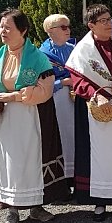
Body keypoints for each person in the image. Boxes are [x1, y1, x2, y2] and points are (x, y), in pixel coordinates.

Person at [0, 8, 67, 223]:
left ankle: (36, 207)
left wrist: (17, 95)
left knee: (30, 161)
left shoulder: (38, 58)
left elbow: (46, 90)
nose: (3, 31)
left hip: (31, 118)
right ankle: (11, 210)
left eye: (8, 27)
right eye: (1, 27)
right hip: (4, 122)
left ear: (23, 30)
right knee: (8, 163)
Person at [65, 4, 112, 221]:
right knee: (101, 156)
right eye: (104, 21)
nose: (110, 24)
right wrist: (96, 94)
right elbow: (77, 81)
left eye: (110, 19)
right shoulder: (83, 50)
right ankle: (100, 201)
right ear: (91, 25)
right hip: (96, 110)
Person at [39, 13, 76, 179]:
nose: (68, 30)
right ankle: (62, 177)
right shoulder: (42, 55)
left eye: (68, 26)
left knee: (75, 135)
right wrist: (63, 83)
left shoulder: (73, 49)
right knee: (60, 136)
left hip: (75, 99)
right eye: (63, 27)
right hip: (55, 100)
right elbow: (38, 84)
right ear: (50, 30)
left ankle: (76, 175)